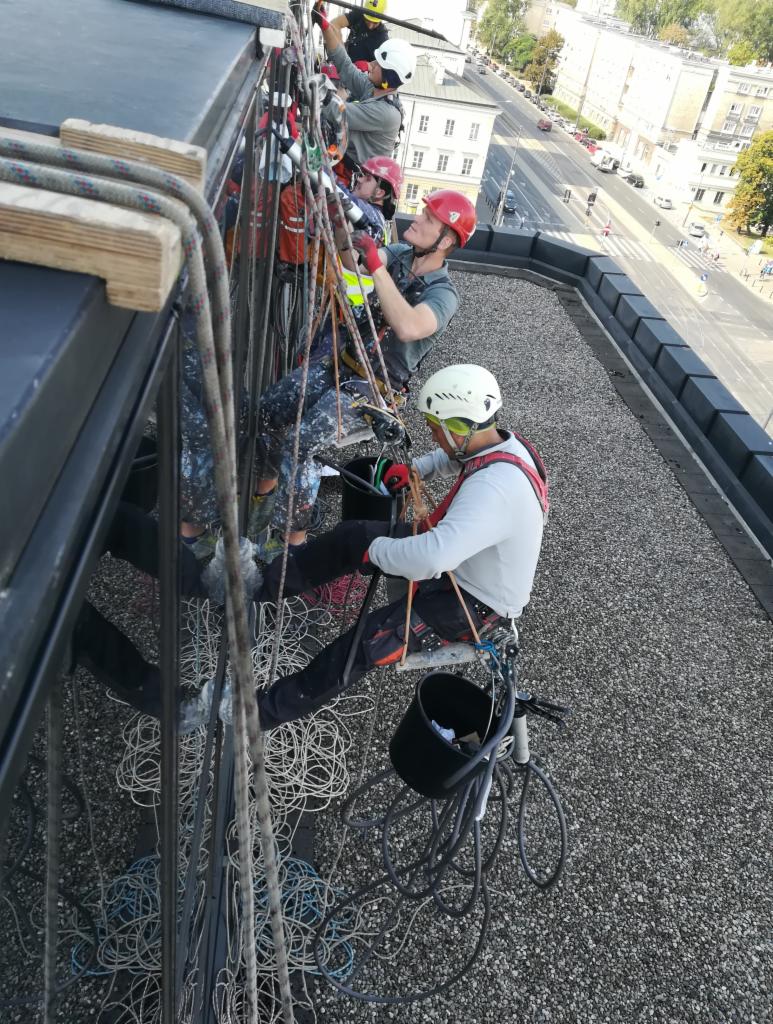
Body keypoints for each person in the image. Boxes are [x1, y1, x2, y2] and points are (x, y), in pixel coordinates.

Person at [255, 364, 549, 729]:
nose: (431, 434)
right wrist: (418, 470)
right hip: (463, 563)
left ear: (459, 429)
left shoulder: (495, 490)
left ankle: (260, 713)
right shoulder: (503, 444)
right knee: (353, 534)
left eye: (434, 428)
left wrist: (376, 552)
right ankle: (265, 583)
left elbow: (430, 557)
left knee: (361, 646)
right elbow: (457, 456)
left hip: (470, 602)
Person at [250, 189, 477, 557]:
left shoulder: (444, 294)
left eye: (428, 219)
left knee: (301, 442)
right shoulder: (402, 255)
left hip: (372, 389)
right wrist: (341, 227)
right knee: (269, 409)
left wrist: (375, 264)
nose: (416, 220)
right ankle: (262, 498)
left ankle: (290, 545)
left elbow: (408, 326)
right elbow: (352, 262)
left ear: (446, 239)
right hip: (342, 362)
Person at [313, 3, 415, 173]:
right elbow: (345, 66)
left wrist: (311, 88)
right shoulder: (374, 89)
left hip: (355, 178)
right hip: (343, 163)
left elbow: (338, 112)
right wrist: (325, 26)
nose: (371, 65)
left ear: (388, 77)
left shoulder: (386, 113)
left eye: (378, 64)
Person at [330, 0, 389, 68]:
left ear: (381, 19)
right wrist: (341, 53)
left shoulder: (383, 38)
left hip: (362, 75)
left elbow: (384, 66)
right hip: (343, 64)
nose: (370, 26)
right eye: (368, 20)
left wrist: (369, 66)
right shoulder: (359, 14)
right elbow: (334, 24)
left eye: (375, 23)